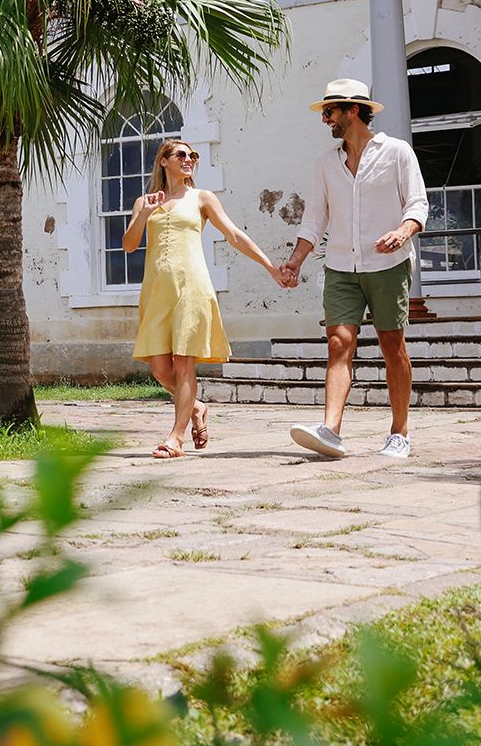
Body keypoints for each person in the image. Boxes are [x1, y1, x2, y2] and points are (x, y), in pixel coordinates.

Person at [276, 78, 429, 460]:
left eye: (330, 111)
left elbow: (418, 204)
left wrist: (402, 231)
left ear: (353, 111)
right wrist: (295, 261)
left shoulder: (397, 152)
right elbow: (314, 220)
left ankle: (400, 432)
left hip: (388, 265)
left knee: (392, 347)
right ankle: (331, 431)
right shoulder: (326, 164)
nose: (325, 119)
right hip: (341, 266)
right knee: (338, 343)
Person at [127, 138, 287, 458]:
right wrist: (143, 214)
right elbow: (130, 245)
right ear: (164, 161)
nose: (189, 160)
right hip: (156, 291)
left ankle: (176, 438)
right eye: (182, 155)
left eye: (193, 156)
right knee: (160, 369)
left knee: (185, 362)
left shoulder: (202, 197)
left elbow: (234, 234)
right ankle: (197, 407)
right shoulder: (145, 201)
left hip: (192, 288)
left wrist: (270, 267)